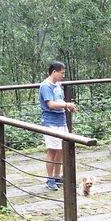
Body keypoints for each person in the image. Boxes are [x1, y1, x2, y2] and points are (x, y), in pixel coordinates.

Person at [39, 61, 76, 190]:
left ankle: (57, 176)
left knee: (60, 150)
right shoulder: (45, 86)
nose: (63, 75)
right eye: (62, 73)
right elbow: (51, 104)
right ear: (54, 72)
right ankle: (50, 179)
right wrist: (66, 105)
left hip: (61, 120)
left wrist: (67, 107)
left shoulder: (58, 85)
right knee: (52, 150)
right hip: (50, 122)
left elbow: (59, 100)